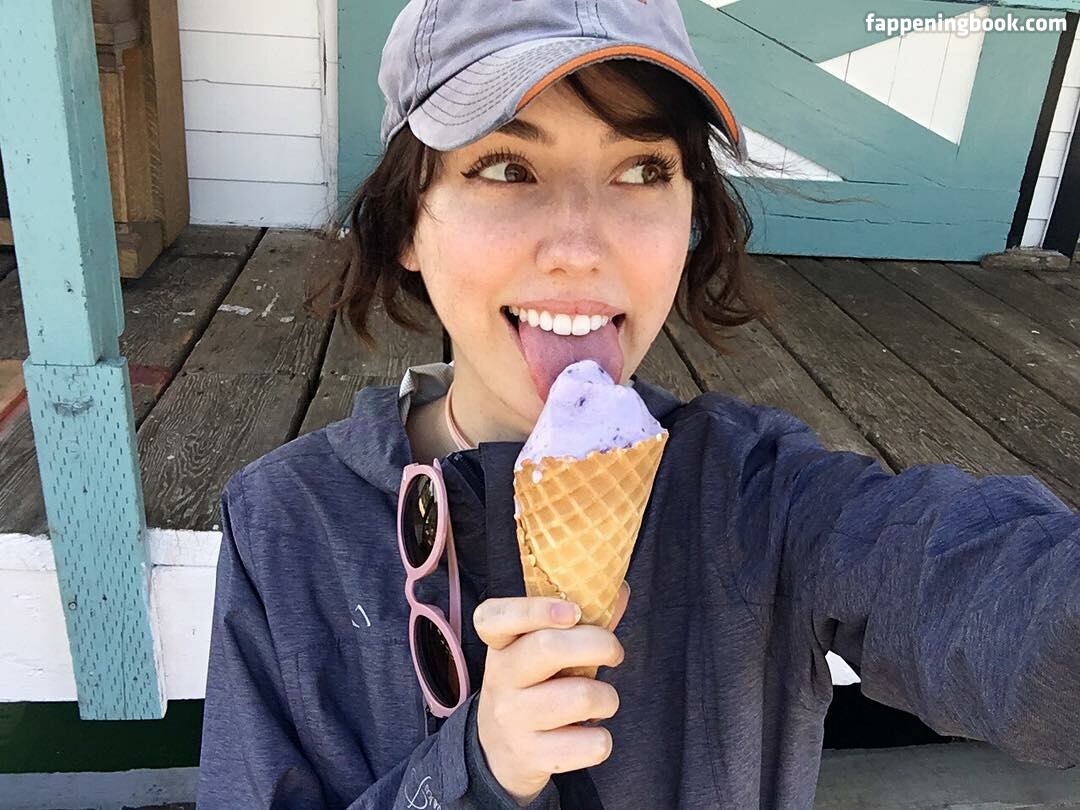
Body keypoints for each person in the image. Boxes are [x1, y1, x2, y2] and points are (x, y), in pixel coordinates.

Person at [195, 1, 1080, 807]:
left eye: (642, 170)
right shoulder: (286, 524)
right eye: (507, 166)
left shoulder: (755, 494)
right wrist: (472, 771)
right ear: (406, 225)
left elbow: (971, 580)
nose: (582, 246)